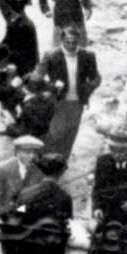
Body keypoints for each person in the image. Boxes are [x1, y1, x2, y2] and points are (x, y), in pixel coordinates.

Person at [36, 26, 102, 160]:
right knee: (55, 132)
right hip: (58, 101)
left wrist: (87, 89)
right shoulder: (51, 55)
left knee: (71, 132)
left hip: (77, 102)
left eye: (74, 42)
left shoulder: (88, 56)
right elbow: (37, 77)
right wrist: (51, 87)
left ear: (79, 41)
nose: (71, 46)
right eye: (68, 42)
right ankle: (49, 161)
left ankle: (62, 159)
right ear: (62, 41)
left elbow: (96, 78)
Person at [0, 135, 45, 212]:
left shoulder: (39, 170)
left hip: (31, 216)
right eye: (27, 152)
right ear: (17, 152)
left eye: (34, 153)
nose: (32, 156)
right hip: (7, 214)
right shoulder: (3, 169)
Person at [1, 0, 40, 77]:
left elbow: (12, 46)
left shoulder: (18, 25)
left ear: (12, 9)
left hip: (21, 66)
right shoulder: (26, 22)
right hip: (28, 64)